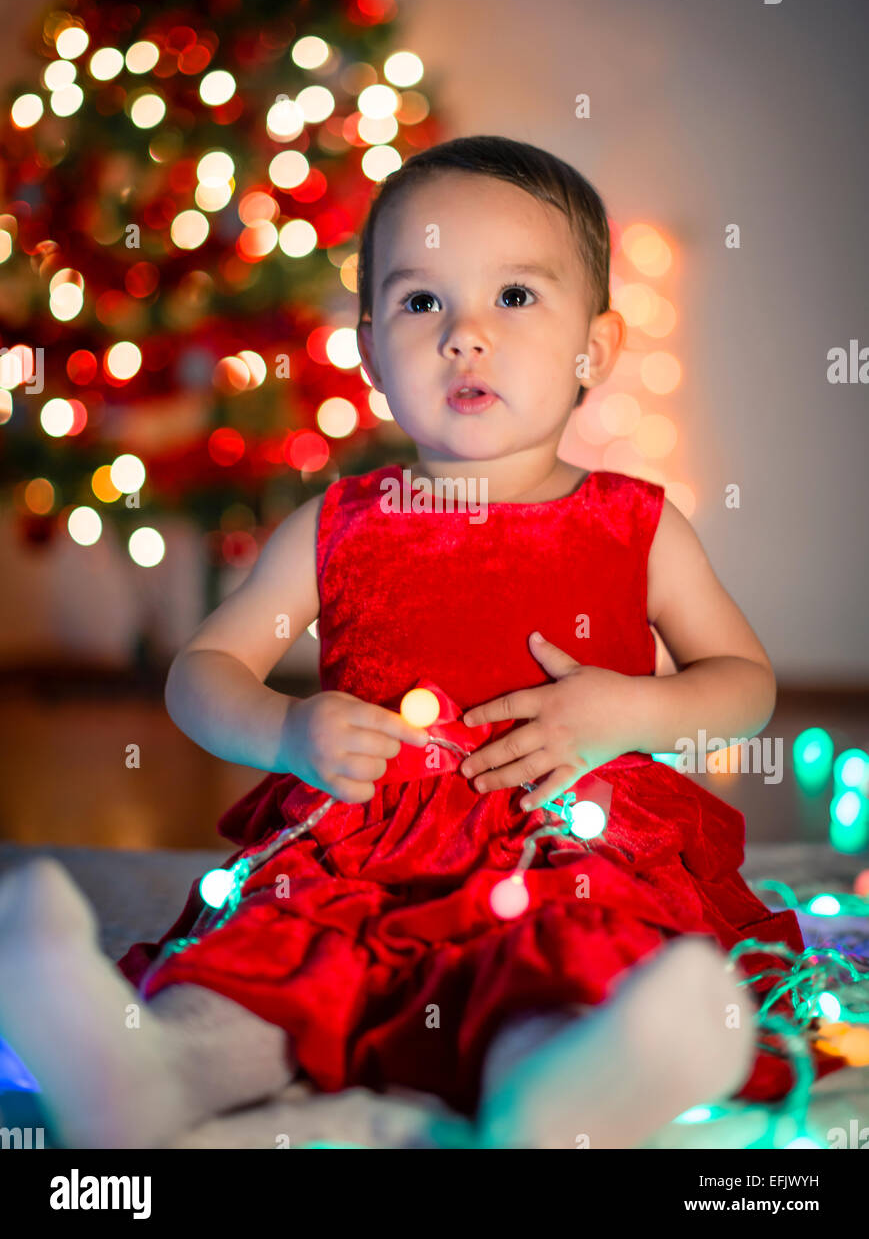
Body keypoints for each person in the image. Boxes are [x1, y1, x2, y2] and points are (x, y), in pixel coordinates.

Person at [0, 136, 845, 1150]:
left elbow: (740, 684)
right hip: (360, 855)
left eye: (515, 299)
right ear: (367, 348)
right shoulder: (339, 523)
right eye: (420, 302)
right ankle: (151, 1070)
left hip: (557, 837)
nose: (464, 338)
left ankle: (563, 1091)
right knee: (276, 962)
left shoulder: (635, 524)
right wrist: (286, 729)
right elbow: (201, 672)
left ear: (596, 347)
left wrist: (628, 706)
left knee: (569, 954)